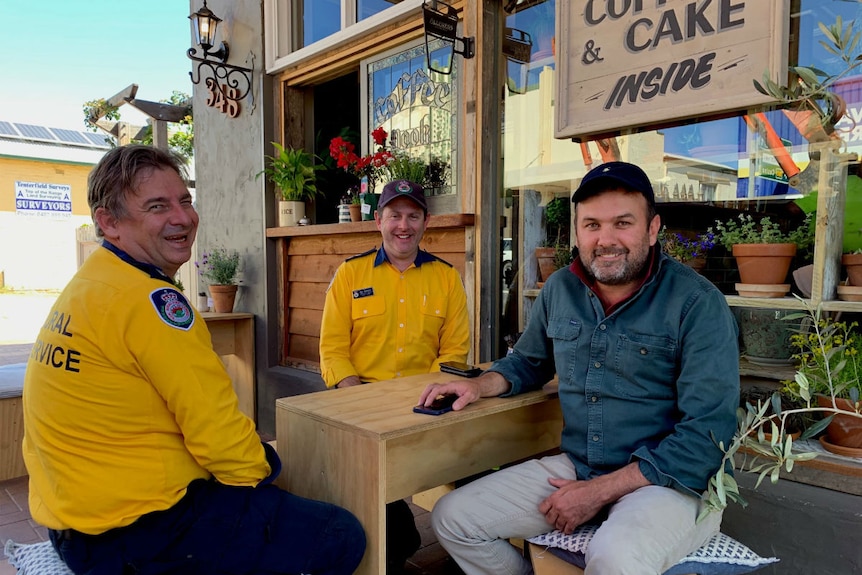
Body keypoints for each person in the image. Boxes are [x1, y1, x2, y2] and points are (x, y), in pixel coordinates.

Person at [22, 144, 365, 575]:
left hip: (76, 521)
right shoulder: (151, 301)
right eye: (157, 206)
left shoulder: (91, 283)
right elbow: (218, 434)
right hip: (135, 533)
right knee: (340, 533)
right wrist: (271, 475)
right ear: (109, 223)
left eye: (185, 200)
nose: (182, 218)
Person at [418, 161, 739, 575]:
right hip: (583, 464)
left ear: (653, 228)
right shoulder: (560, 288)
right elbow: (529, 362)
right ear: (577, 231)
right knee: (453, 518)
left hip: (672, 484)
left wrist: (597, 493)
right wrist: (480, 386)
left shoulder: (696, 304)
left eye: (623, 223)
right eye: (591, 225)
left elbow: (706, 438)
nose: (605, 239)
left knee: (614, 557)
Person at [319, 178, 471, 572]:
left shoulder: (447, 278)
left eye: (413, 216)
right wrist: (356, 399)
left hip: (427, 406)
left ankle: (468, 540)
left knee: (478, 465)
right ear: (378, 221)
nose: (403, 225)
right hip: (364, 407)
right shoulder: (350, 275)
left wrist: (433, 395)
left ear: (426, 223)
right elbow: (333, 350)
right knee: (393, 536)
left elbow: (455, 351)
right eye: (395, 215)